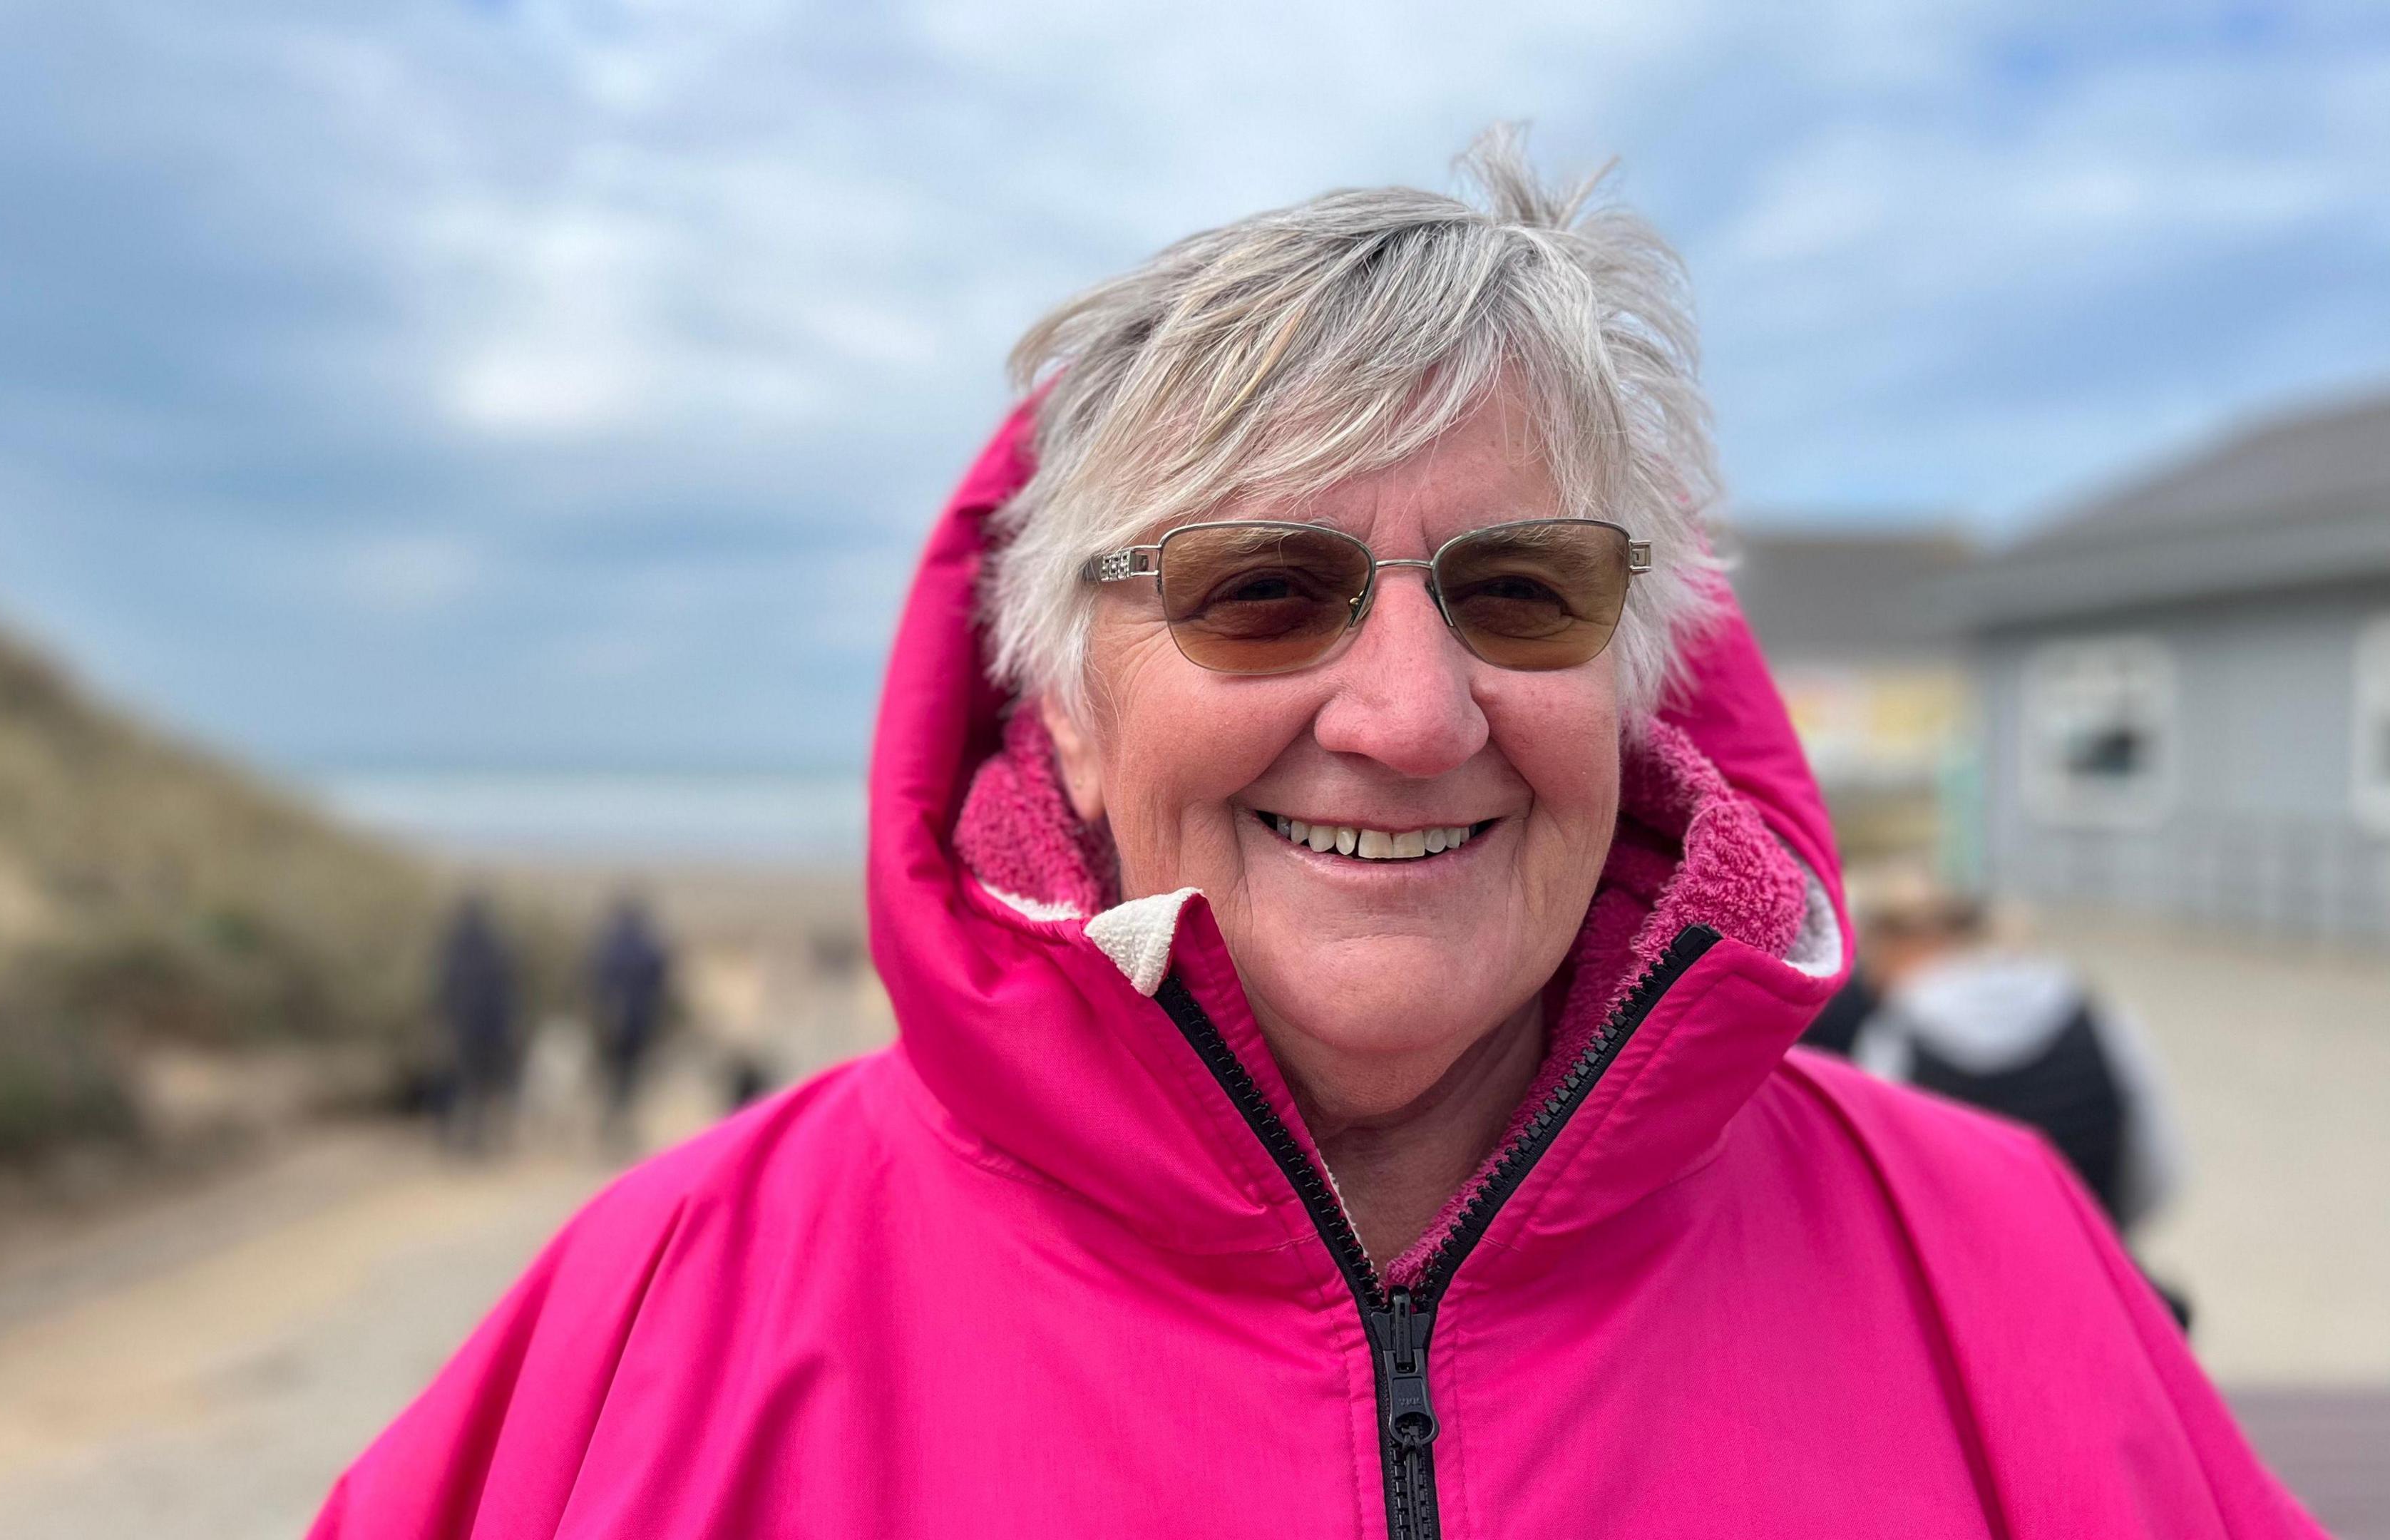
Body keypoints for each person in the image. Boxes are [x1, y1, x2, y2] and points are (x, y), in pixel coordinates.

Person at [314, 130, 2313, 1536]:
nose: (1414, 716)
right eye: (1260, 591)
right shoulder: (664, 1308)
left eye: (1524, 591)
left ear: (1634, 677)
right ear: (1066, 709)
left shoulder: (1999, 1269)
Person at [1844, 881, 2187, 1238]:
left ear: (1900, 945)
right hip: (2088, 1258)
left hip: (1964, 1276)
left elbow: (1875, 1194)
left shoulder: (1897, 1035)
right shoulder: (2092, 1011)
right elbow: (2157, 1170)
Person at [432, 892, 518, 1156]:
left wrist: (440, 1020)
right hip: (485, 1029)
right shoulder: (494, 946)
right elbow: (506, 992)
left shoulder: (454, 945)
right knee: (478, 1084)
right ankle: (472, 1135)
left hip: (462, 1026)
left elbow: (443, 986)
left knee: (462, 1082)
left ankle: (461, 1135)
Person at [585, 894, 669, 1144]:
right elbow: (659, 974)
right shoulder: (645, 947)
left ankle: (611, 1125)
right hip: (638, 1025)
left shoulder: (608, 946)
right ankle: (621, 1125)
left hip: (610, 1026)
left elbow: (593, 980)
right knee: (630, 1078)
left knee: (612, 1078)